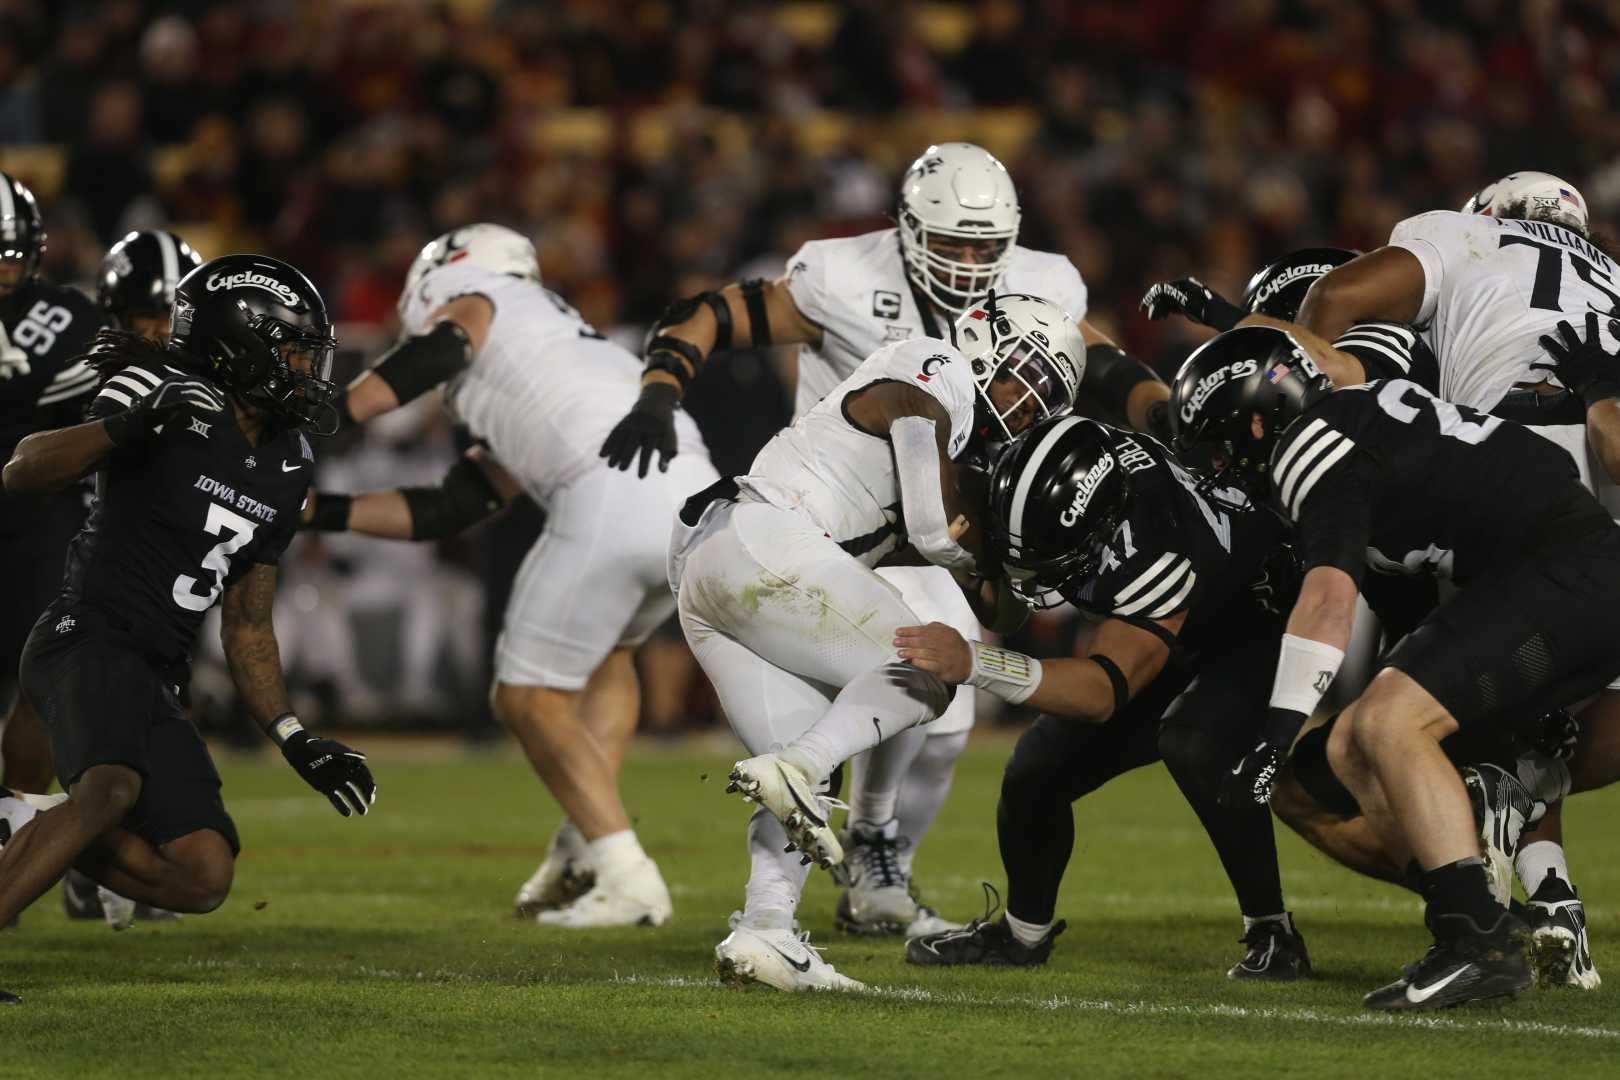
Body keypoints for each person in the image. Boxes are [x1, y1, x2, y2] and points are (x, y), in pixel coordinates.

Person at [601, 142, 1165, 937]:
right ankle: (857, 827)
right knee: (929, 680)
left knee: (896, 728)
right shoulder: (884, 318)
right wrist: (659, 391)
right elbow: (713, 315)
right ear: (905, 229)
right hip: (814, 524)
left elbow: (1097, 365)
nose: (969, 265)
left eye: (985, 248)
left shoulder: (1039, 296)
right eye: (951, 244)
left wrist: (1166, 422)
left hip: (791, 539)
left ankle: (775, 923)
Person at [1171, 323, 1620, 1010]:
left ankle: (1478, 943)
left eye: (1221, 444)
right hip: (1556, 575)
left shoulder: (1311, 444)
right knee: (1354, 744)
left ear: (1261, 421)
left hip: (1566, 572)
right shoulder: (1364, 413)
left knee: (1388, 723)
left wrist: (1271, 739)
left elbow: (1328, 600)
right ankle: (1472, 921)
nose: (1222, 465)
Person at [670, 292, 1080, 991]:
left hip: (716, 572)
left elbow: (1004, 611)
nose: (1027, 402)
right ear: (985, 343)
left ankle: (765, 932)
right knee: (932, 668)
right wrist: (983, 554)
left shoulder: (963, 465)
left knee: (804, 774)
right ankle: (801, 769)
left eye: (1044, 396)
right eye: (1025, 375)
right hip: (759, 537)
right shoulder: (935, 366)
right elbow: (928, 527)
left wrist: (1023, 566)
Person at [0, 254, 377, 1004]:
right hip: (85, 632)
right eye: (293, 351)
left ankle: (25, 825)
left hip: (156, 675)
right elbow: (24, 468)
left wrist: (296, 737)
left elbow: (247, 624)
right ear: (240, 344)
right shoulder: (163, 391)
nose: (307, 369)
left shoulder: (292, 460)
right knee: (109, 788)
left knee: (202, 875)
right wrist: (126, 425)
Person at [323, 224, 719, 928]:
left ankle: (626, 873)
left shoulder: (480, 300)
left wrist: (335, 413)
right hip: (692, 497)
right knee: (610, 658)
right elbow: (453, 505)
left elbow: (451, 339)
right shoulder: (554, 341)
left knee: (526, 697)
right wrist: (316, 509)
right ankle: (582, 843)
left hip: (612, 490)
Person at [897, 414, 1309, 979]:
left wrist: (974, 661)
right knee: (1036, 771)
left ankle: (1273, 931)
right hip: (1184, 614)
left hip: (1257, 622)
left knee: (1195, 742)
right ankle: (1023, 935)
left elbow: (1103, 691)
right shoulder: (1048, 477)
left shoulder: (1155, 549)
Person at [56, 228, 206, 928]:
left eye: (172, 314)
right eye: (146, 315)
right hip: (81, 560)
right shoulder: (77, 364)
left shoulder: (194, 374)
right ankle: (52, 843)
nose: (159, 330)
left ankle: (100, 863)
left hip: (165, 573)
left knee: (156, 711)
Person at [0, 172, 108, 805]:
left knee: (41, 682)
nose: (5, 269)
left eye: (14, 253)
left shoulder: (67, 315)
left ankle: (16, 834)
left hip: (40, 517)